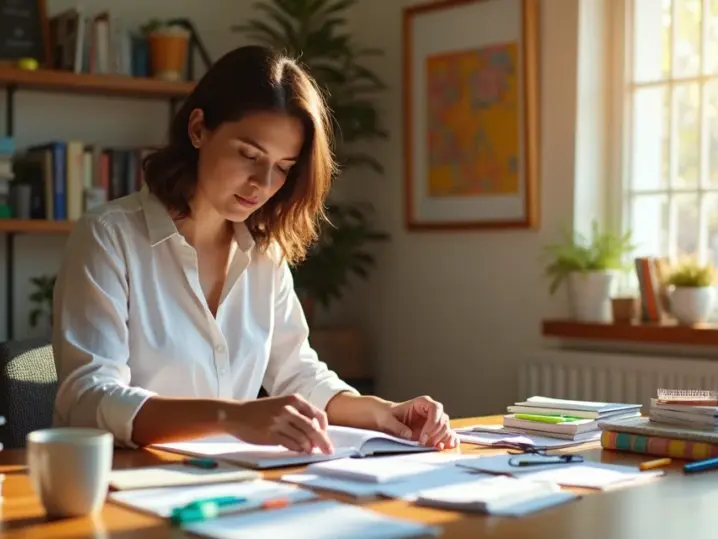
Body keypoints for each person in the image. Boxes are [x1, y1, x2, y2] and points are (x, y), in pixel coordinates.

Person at [51, 45, 458, 454]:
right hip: (124, 484)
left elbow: (297, 373)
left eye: (283, 167)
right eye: (249, 154)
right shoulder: (108, 237)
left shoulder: (265, 253)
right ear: (198, 129)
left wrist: (383, 411)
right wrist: (236, 417)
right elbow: (90, 399)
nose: (263, 183)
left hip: (230, 483)